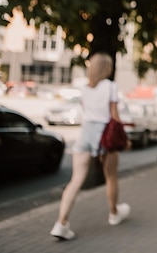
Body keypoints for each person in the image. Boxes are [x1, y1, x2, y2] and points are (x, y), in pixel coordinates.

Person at [50, 52, 131, 240]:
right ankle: (114, 213)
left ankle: (61, 223)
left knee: (76, 180)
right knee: (111, 176)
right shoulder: (111, 86)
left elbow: (86, 111)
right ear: (106, 68)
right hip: (105, 135)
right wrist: (124, 139)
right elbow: (114, 115)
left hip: (86, 133)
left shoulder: (84, 88)